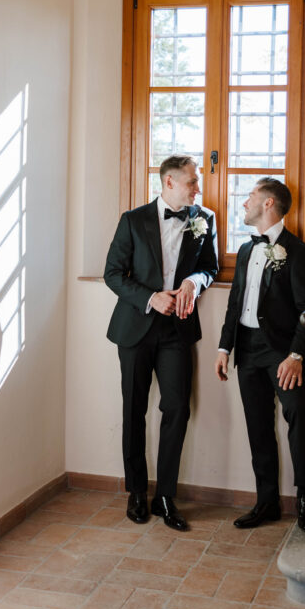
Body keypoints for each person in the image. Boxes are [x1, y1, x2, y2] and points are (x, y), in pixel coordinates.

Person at [104, 155, 218, 531]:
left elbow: (211, 267)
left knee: (177, 410)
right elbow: (113, 274)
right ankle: (137, 491)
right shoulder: (132, 220)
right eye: (191, 182)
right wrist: (151, 297)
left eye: (196, 182)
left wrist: (193, 283)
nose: (197, 188)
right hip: (135, 327)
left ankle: (165, 495)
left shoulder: (204, 219)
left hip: (177, 331)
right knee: (133, 410)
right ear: (169, 182)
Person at [215, 178, 305, 531]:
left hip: (283, 353)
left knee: (298, 421)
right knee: (258, 427)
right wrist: (223, 347)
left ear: (269, 203)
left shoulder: (301, 254)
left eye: (251, 197)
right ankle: (267, 502)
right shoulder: (245, 251)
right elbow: (234, 305)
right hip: (246, 350)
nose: (245, 203)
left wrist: (296, 356)